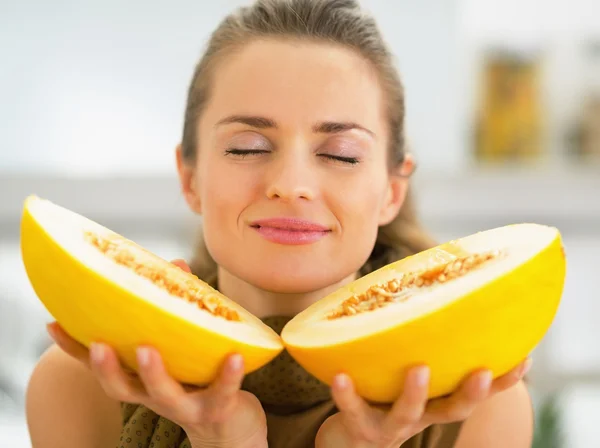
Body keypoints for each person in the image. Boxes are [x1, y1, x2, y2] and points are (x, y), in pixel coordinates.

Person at [25, 0, 534, 447]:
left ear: (391, 193)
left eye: (340, 154)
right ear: (190, 178)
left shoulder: (479, 404)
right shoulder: (80, 385)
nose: (291, 184)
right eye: (247, 147)